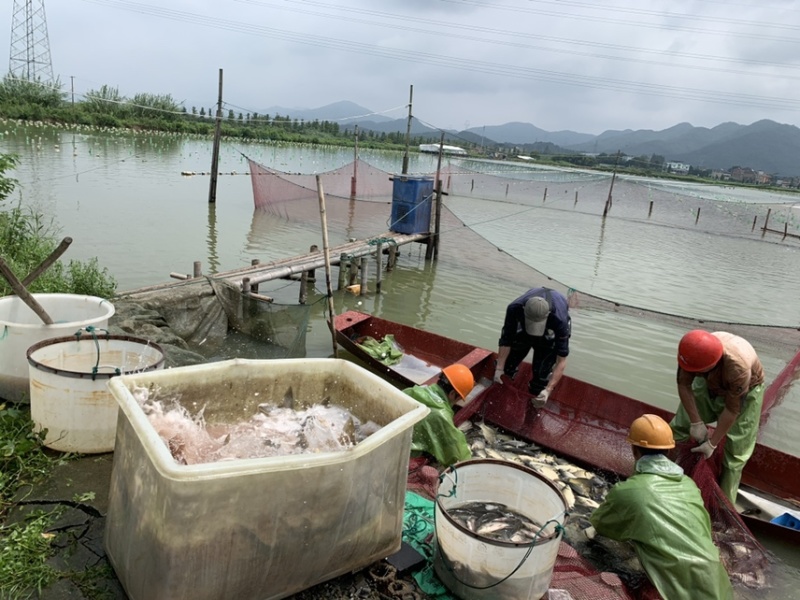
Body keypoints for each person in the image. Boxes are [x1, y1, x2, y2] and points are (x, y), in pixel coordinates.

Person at [590, 414, 733, 600]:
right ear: (669, 451)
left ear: (634, 450)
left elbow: (601, 526)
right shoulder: (689, 485)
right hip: (718, 582)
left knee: (591, 545)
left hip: (677, 593)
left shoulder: (628, 491)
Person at [670, 329, 765, 503]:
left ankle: (724, 505)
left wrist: (712, 444)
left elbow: (731, 410)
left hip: (746, 391)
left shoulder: (738, 368)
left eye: (699, 371)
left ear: (712, 364)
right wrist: (696, 422)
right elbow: (684, 384)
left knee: (736, 453)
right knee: (678, 428)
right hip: (708, 383)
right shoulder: (690, 354)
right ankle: (662, 474)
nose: (694, 373)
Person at [494, 287, 571, 408]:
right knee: (507, 367)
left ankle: (535, 403)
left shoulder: (559, 321)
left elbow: (561, 360)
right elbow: (506, 340)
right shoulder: (514, 308)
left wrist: (548, 390)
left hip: (548, 334)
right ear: (523, 309)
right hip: (523, 330)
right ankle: (501, 398)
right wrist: (499, 368)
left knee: (541, 377)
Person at [403, 363, 474, 467]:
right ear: (453, 394)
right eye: (458, 399)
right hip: (406, 459)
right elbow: (457, 455)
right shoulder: (442, 416)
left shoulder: (414, 391)